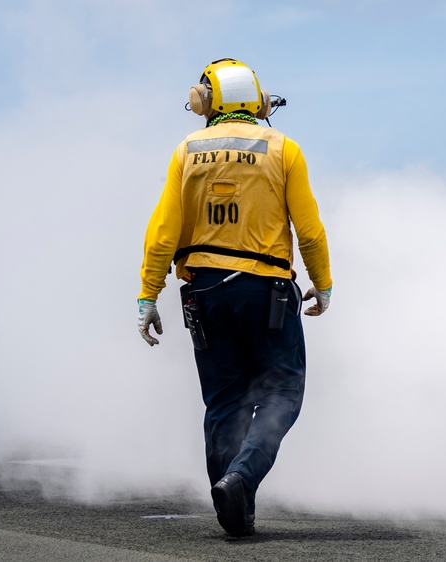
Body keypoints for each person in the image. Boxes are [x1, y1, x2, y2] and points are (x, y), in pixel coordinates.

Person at [136, 58, 332, 538]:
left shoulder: (186, 149)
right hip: (266, 292)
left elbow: (163, 233)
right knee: (283, 391)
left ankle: (233, 509)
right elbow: (308, 230)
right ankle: (241, 479)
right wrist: (322, 284)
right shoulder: (283, 149)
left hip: (203, 293)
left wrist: (147, 295)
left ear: (207, 100)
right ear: (257, 101)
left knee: (225, 401)